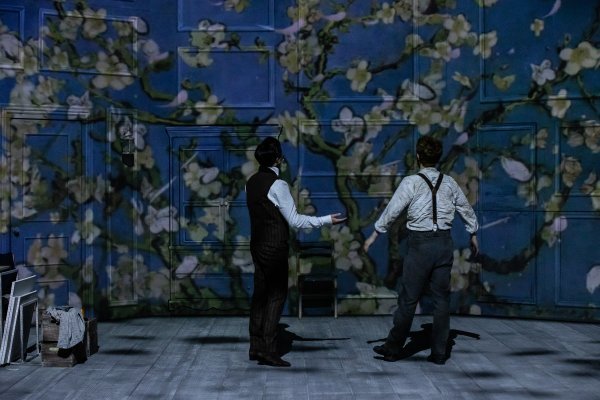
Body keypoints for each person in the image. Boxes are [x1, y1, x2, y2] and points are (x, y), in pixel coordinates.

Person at [363, 135, 479, 365]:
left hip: (420, 246)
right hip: (443, 244)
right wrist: (473, 233)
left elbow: (392, 210)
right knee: (441, 300)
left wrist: (374, 235)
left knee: (408, 299)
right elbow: (466, 209)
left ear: (418, 156)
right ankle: (439, 352)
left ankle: (393, 348)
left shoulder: (411, 182)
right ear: (438, 157)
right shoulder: (449, 182)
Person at [246, 136, 346, 367]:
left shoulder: (251, 182)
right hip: (274, 246)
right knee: (276, 295)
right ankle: (268, 350)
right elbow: (296, 221)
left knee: (260, 295)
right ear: (278, 159)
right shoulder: (278, 185)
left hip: (257, 244)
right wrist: (326, 220)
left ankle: (256, 346)